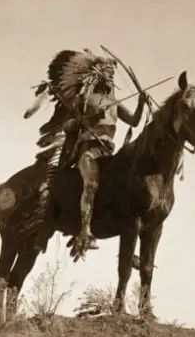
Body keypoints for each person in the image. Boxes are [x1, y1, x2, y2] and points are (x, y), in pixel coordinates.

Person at [25, 49, 147, 259]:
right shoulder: (85, 99)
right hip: (88, 151)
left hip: (108, 153)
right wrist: (89, 118)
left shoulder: (115, 103)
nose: (110, 79)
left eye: (112, 75)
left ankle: (129, 236)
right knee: (91, 184)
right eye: (106, 74)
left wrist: (141, 104)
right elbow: (69, 125)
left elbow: (134, 122)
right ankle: (85, 230)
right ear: (98, 76)